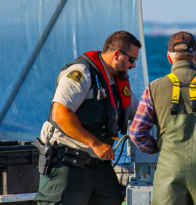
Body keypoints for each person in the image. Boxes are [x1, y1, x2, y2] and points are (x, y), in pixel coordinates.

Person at [129, 31, 196, 205]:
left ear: (169, 58)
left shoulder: (153, 88)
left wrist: (157, 148)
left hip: (169, 173)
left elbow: (136, 132)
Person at [34, 31, 141, 205]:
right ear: (117, 55)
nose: (133, 66)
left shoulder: (116, 82)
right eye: (132, 60)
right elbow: (60, 114)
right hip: (67, 164)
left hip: (98, 165)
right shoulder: (81, 73)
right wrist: (96, 144)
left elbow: (140, 113)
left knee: (114, 200)